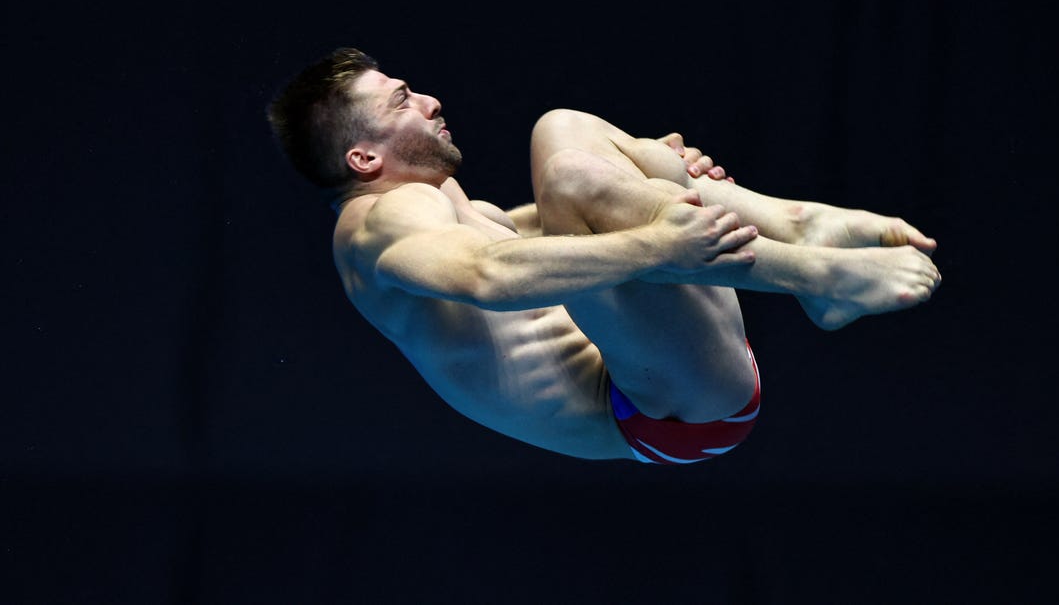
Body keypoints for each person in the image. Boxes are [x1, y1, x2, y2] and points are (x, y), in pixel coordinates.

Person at [266, 47, 941, 464]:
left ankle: (803, 224)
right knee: (572, 178)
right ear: (363, 157)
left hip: (666, 365)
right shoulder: (380, 220)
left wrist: (646, 169)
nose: (432, 101)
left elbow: (523, 233)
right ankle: (814, 275)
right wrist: (658, 237)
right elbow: (488, 274)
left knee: (564, 133)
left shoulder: (441, 207)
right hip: (661, 412)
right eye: (403, 100)